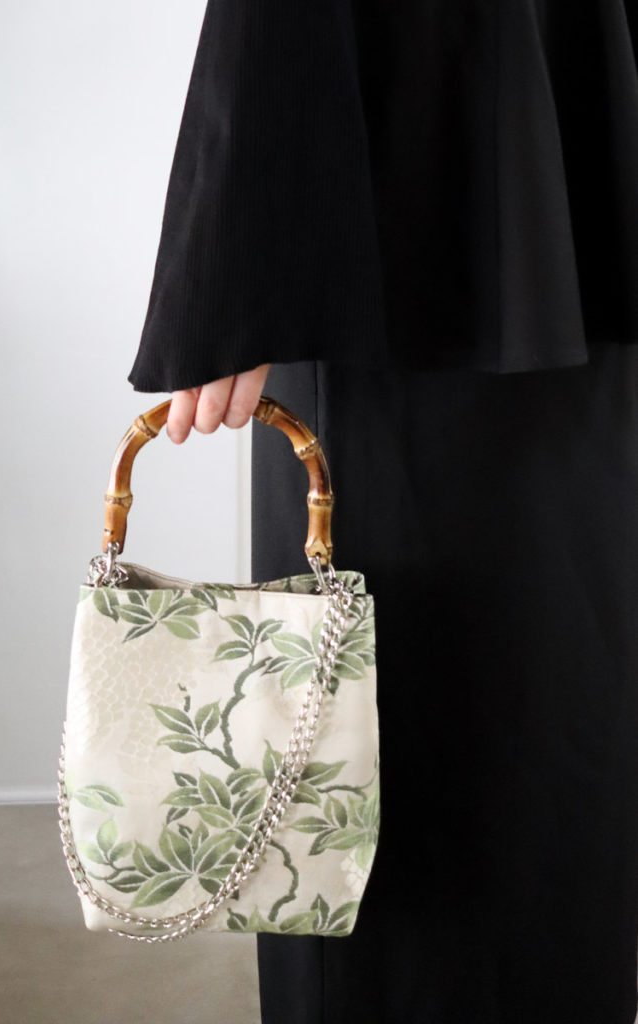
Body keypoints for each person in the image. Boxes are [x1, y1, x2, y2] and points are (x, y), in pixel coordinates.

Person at [127, 3, 638, 1022]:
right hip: (472, 226)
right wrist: (233, 285)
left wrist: (228, 283)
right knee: (384, 707)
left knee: (530, 692)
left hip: (486, 214)